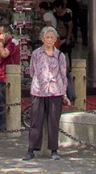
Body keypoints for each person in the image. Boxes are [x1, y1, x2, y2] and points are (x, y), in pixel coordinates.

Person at [24, 25, 70, 160]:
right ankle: (31, 149)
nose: (49, 40)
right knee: (35, 121)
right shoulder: (36, 54)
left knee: (53, 122)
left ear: (55, 39)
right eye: (47, 37)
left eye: (52, 37)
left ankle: (54, 150)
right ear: (42, 39)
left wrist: (64, 94)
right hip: (38, 91)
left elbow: (63, 75)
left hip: (55, 92)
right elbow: (32, 72)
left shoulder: (60, 55)